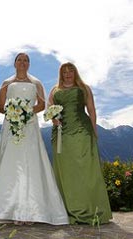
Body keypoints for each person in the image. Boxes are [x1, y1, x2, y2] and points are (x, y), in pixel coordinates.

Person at [0, 53, 68, 226]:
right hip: (11, 126)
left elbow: (42, 105)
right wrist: (13, 111)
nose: (23, 62)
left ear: (29, 64)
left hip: (30, 126)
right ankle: (9, 209)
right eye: (20, 59)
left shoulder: (36, 83)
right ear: (14, 63)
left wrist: (26, 111)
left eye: (26, 60)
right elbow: (0, 107)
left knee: (31, 162)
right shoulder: (7, 83)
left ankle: (32, 211)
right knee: (10, 162)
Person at [47, 62, 112, 225]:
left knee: (84, 170)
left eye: (71, 71)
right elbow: (49, 108)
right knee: (66, 171)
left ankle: (90, 209)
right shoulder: (54, 90)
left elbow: (91, 110)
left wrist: (94, 131)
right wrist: (53, 119)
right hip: (61, 135)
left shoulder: (84, 88)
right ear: (60, 74)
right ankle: (68, 210)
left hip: (82, 132)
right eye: (64, 72)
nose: (68, 74)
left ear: (75, 73)